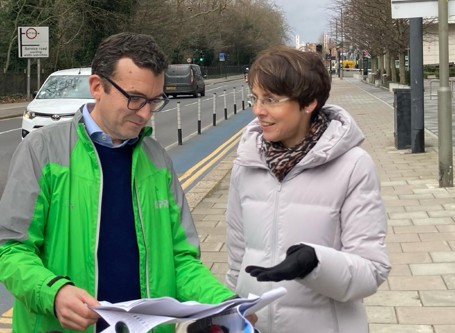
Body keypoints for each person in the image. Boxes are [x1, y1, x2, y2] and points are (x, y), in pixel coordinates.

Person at [0, 32, 239, 333]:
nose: (146, 113)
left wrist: (224, 303)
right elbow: (10, 249)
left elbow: (181, 261)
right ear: (98, 87)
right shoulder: (42, 150)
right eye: (135, 98)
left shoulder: (158, 160)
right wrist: (54, 293)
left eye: (154, 100)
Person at [225, 45, 391, 333]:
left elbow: (372, 270)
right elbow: (237, 262)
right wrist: (225, 315)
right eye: (255, 98)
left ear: (309, 103)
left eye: (272, 99)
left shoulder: (353, 166)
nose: (258, 110)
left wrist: (315, 263)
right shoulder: (246, 163)